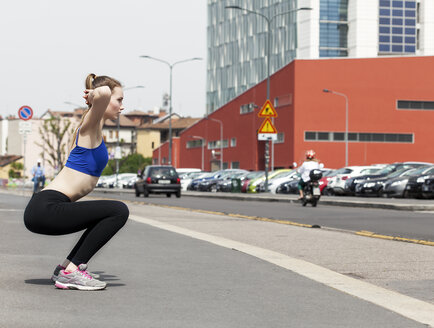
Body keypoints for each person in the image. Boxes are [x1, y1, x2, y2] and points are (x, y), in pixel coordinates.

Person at [24, 74, 129, 291]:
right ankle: (71, 272)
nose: (121, 106)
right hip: (47, 208)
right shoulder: (90, 125)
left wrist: (97, 95)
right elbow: (102, 92)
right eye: (119, 100)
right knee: (118, 210)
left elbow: (103, 94)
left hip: (46, 207)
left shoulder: (94, 128)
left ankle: (67, 267)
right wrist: (94, 94)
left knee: (105, 213)